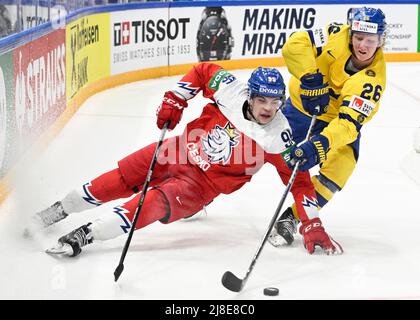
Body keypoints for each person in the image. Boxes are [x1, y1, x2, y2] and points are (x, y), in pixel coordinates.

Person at [26, 63, 342, 257]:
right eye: (261, 99)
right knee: (116, 180)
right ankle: (58, 210)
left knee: (148, 203)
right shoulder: (232, 90)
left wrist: (311, 221)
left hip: (199, 186)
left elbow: (299, 180)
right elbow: (203, 71)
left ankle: (85, 235)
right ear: (250, 95)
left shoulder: (278, 136)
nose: (267, 108)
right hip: (175, 151)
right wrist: (176, 97)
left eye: (275, 103)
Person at [268, 7, 387, 247]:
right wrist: (310, 77)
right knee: (258, 145)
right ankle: (207, 186)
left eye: (371, 40)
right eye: (359, 38)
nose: (363, 46)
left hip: (335, 122)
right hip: (301, 109)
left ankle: (292, 216)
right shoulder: (334, 33)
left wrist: (321, 144)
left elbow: (348, 124)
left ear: (381, 40)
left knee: (342, 165)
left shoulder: (373, 81)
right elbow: (294, 45)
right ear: (351, 34)